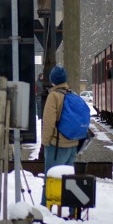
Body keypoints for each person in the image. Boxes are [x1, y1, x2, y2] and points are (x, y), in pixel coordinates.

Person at [40, 64, 78, 204]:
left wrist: (45, 142)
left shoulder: (54, 96)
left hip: (57, 146)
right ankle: (73, 209)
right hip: (73, 145)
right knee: (69, 180)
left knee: (50, 179)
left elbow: (48, 122)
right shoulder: (72, 94)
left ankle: (45, 207)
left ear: (53, 80)